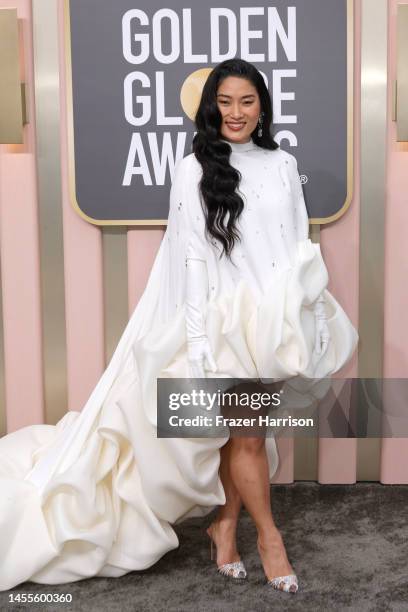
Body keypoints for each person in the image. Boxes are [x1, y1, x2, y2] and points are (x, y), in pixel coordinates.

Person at [0, 58, 358, 594]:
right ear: (210, 107)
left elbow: (296, 245)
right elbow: (193, 257)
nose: (235, 113)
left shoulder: (283, 163)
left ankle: (224, 529)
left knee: (244, 435)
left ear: (263, 107)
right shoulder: (194, 168)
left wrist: (311, 317)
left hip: (277, 320)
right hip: (223, 321)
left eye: (247, 101)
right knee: (250, 437)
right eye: (225, 101)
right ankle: (269, 540)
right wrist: (197, 341)